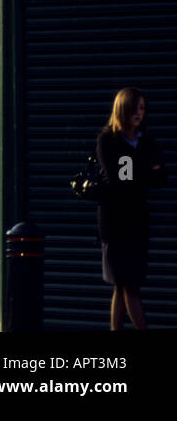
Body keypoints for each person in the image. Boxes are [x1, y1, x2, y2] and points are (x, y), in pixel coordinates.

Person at [96, 86, 166, 330]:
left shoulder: (145, 141)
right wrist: (145, 170)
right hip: (115, 223)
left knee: (123, 283)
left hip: (137, 222)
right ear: (123, 109)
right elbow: (120, 180)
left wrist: (139, 174)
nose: (139, 113)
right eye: (135, 108)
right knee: (128, 284)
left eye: (143, 108)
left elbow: (160, 178)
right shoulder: (109, 140)